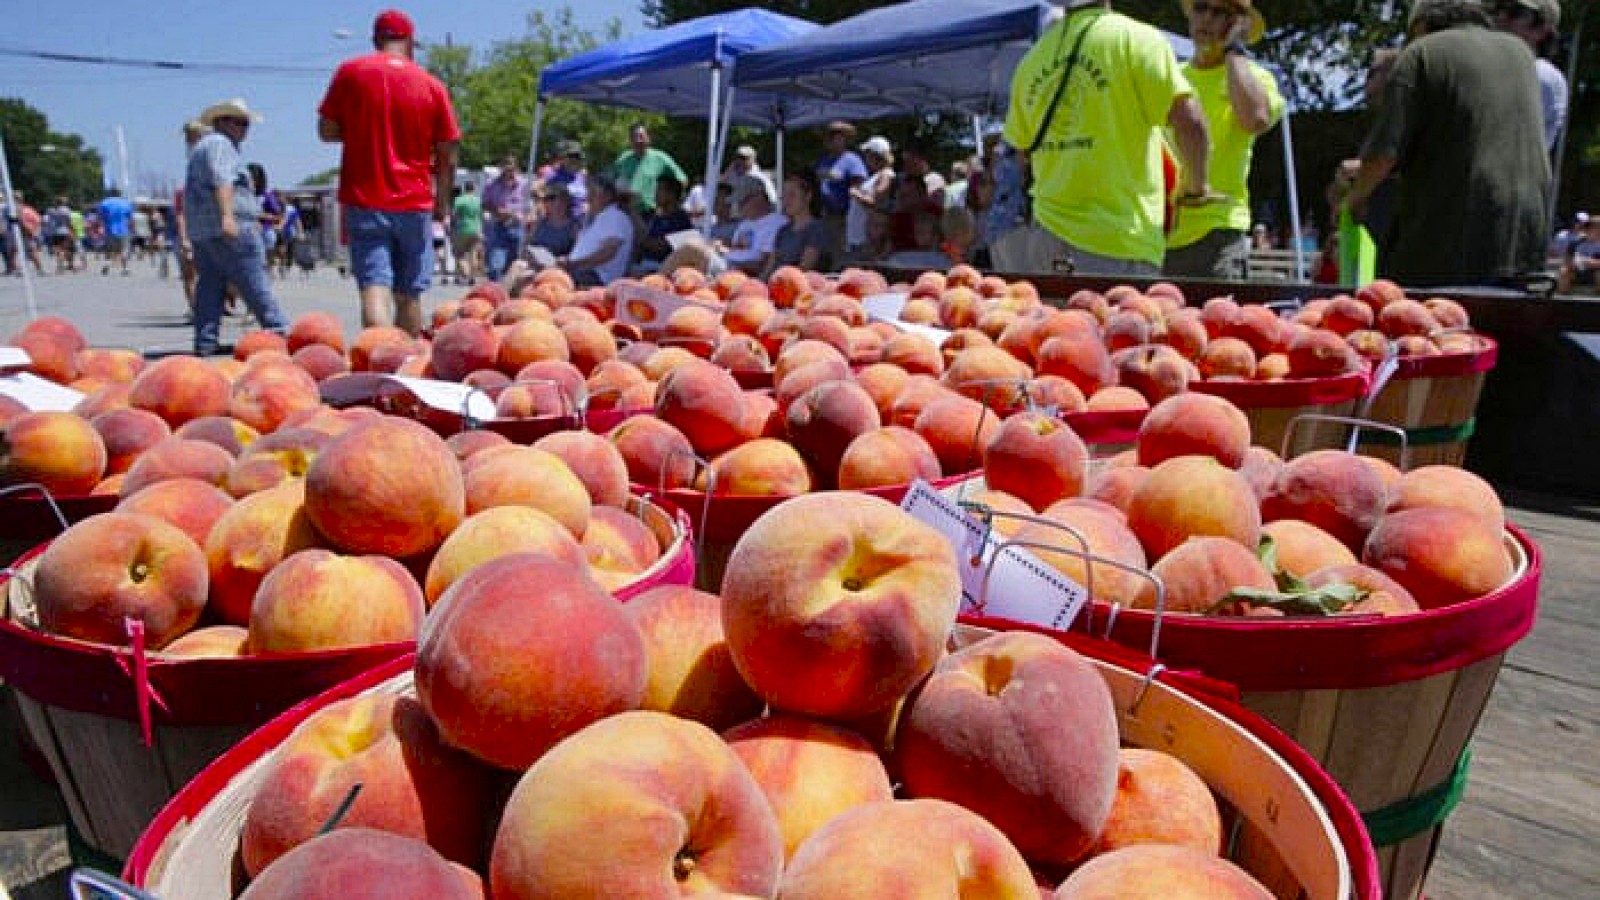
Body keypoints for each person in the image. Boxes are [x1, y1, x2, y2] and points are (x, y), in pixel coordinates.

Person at [1346, 0, 1550, 287]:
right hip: (1526, 238)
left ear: (1420, 24)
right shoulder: (1520, 53)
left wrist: (1355, 199)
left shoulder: (1421, 53)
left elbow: (1383, 155)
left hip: (1452, 241)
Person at [1001, 0, 1210, 276]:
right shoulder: (1136, 39)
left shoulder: (1031, 61)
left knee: (1059, 320)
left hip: (1047, 240)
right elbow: (1191, 122)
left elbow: (1022, 151)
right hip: (1119, 242)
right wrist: (1195, 186)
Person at [318, 7, 460, 335]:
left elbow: (326, 130)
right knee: (409, 296)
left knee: (374, 285)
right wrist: (443, 204)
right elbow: (447, 153)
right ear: (410, 42)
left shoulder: (350, 73)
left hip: (365, 197)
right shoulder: (432, 86)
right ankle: (405, 366)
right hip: (414, 202)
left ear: (375, 40)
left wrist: (359, 130)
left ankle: (377, 357)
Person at [1163, 0, 1284, 279]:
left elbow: (1255, 119)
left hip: (1217, 233)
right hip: (1160, 233)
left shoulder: (1253, 77)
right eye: (1201, 8)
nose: (1206, 19)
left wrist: (1234, 50)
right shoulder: (1172, 76)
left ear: (1238, 23)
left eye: (1219, 13)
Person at [185, 98, 288, 355]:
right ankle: (277, 332)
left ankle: (206, 340)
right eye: (239, 122)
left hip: (203, 229)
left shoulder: (202, 147)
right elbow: (223, 179)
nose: (245, 128)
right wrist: (228, 217)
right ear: (222, 122)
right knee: (253, 278)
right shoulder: (221, 145)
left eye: (246, 123)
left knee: (210, 283)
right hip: (230, 227)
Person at [1492, 0, 1567, 154]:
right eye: (1500, 8)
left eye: (1515, 12)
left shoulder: (1540, 75)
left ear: (1541, 30)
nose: (1502, 17)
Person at [555, 174, 633, 287]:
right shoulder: (597, 217)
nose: (588, 198)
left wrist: (574, 263)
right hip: (580, 271)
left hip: (596, 277)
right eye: (589, 192)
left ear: (608, 196)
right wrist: (568, 260)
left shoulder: (616, 217)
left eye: (593, 193)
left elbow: (608, 252)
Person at [814, 121, 868, 258]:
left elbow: (859, 185)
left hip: (843, 216)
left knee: (840, 253)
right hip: (825, 213)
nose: (831, 140)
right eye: (829, 136)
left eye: (836, 136)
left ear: (844, 139)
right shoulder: (824, 160)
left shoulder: (852, 160)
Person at [611, 123, 686, 218]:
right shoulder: (623, 160)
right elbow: (610, 183)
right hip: (627, 213)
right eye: (634, 137)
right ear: (630, 141)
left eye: (641, 136)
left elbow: (682, 180)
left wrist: (670, 206)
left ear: (648, 138)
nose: (638, 140)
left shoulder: (660, 158)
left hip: (652, 213)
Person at [174, 120, 210, 312]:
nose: (191, 140)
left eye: (194, 135)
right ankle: (196, 308)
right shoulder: (190, 178)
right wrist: (185, 238)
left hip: (208, 230)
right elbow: (181, 213)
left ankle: (203, 309)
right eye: (189, 136)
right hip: (194, 230)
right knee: (190, 273)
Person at [767, 171, 829, 277]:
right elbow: (770, 266)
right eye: (784, 195)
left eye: (792, 195)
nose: (786, 201)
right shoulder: (783, 230)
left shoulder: (816, 230)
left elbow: (804, 268)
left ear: (808, 196)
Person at [721, 178, 787, 276]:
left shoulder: (777, 223)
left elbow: (764, 264)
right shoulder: (744, 223)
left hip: (744, 275)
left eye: (742, 201)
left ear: (758, 196)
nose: (739, 207)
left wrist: (732, 264)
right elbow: (736, 249)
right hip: (729, 269)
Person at [846, 136, 896, 261]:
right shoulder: (874, 176)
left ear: (876, 155)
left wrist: (856, 194)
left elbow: (876, 202)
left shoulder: (886, 175)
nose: (865, 158)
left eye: (868, 154)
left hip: (867, 237)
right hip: (858, 235)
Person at [481, 157, 529, 281]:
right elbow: (484, 204)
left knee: (515, 266)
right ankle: (495, 290)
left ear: (515, 167)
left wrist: (521, 215)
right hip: (499, 226)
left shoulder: (524, 184)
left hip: (517, 226)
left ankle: (510, 294)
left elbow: (529, 205)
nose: (508, 168)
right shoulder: (491, 184)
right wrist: (497, 210)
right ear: (500, 167)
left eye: (511, 166)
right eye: (505, 165)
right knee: (495, 266)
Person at [638, 175, 693, 267]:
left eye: (659, 190)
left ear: (671, 194)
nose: (655, 194)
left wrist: (642, 240)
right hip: (645, 266)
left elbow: (661, 247)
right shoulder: (655, 217)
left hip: (664, 271)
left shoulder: (682, 220)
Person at [528, 182, 581, 260]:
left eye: (550, 198)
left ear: (564, 201)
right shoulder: (538, 223)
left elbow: (577, 254)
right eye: (545, 199)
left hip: (558, 268)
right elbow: (527, 247)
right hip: (535, 263)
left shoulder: (574, 227)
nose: (546, 202)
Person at [542, 140, 589, 219]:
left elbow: (588, 199)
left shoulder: (582, 176)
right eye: (570, 156)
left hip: (583, 222)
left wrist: (587, 206)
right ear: (562, 158)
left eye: (577, 156)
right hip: (564, 224)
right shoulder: (553, 177)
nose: (574, 159)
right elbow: (549, 205)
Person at [1558, 216, 1600, 293]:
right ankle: (1563, 299)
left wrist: (1589, 262)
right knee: (1564, 271)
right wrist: (1572, 263)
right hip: (1578, 271)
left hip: (1595, 272)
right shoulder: (1575, 243)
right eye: (1593, 228)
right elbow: (1566, 261)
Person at [451, 181, 482, 284]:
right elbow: (482, 215)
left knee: (459, 254)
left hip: (462, 229)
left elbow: (454, 214)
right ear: (473, 189)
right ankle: (472, 277)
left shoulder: (459, 200)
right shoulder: (478, 200)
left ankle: (464, 273)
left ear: (465, 188)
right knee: (473, 254)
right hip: (476, 229)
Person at [97, 187, 134, 275]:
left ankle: (106, 265)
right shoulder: (127, 203)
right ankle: (125, 269)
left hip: (109, 230)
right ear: (120, 194)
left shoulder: (104, 203)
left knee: (110, 249)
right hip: (123, 229)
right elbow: (130, 218)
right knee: (124, 249)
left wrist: (101, 227)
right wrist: (132, 228)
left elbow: (100, 217)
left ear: (111, 194)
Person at [45, 197, 74, 272]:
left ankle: (63, 265)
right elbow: (69, 221)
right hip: (64, 231)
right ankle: (64, 266)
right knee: (65, 249)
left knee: (58, 250)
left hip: (55, 231)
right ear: (63, 203)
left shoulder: (51, 210)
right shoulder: (66, 210)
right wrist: (72, 230)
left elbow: (48, 221)